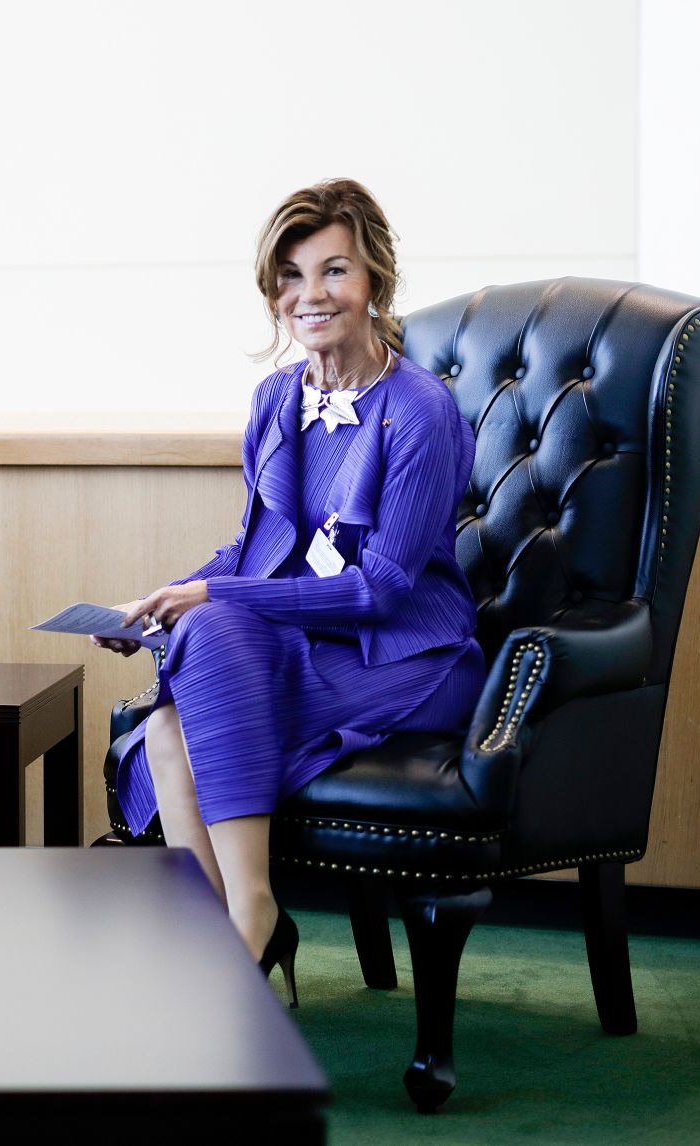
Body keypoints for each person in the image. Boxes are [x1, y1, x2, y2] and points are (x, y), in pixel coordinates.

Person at [93, 179, 483, 1000]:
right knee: (168, 723)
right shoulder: (276, 398)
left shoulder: (422, 411)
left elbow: (381, 591)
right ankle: (236, 928)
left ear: (374, 278)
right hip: (308, 637)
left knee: (186, 702)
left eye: (334, 271)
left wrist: (218, 601)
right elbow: (256, 547)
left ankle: (249, 924)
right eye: (291, 276)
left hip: (407, 652)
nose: (311, 295)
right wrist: (166, 598)